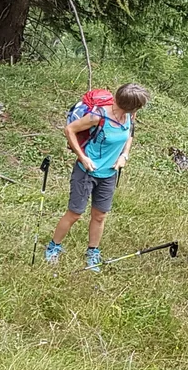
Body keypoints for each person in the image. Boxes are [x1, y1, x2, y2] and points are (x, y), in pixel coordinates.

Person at [44, 82, 148, 273]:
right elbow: (69, 130)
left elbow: (129, 134)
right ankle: (53, 247)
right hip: (87, 172)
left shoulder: (129, 115)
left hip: (109, 174)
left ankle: (93, 252)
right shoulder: (98, 115)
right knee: (75, 213)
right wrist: (82, 157)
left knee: (100, 216)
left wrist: (124, 155)